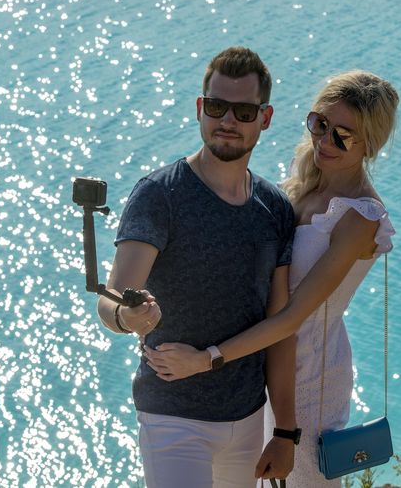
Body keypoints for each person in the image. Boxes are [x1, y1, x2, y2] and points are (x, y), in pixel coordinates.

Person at [145, 70, 399, 486]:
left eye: (344, 136)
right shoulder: (298, 189)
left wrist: (205, 358)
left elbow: (293, 317)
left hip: (310, 377)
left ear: (371, 143)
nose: (324, 141)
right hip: (258, 365)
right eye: (320, 124)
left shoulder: (360, 216)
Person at [97, 46, 299, 487]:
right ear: (199, 109)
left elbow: (282, 328)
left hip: (248, 418)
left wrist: (285, 430)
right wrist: (128, 316)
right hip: (172, 416)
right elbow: (112, 300)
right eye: (217, 106)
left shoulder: (276, 208)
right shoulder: (159, 195)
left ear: (265, 119)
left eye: (244, 111)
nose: (228, 121)